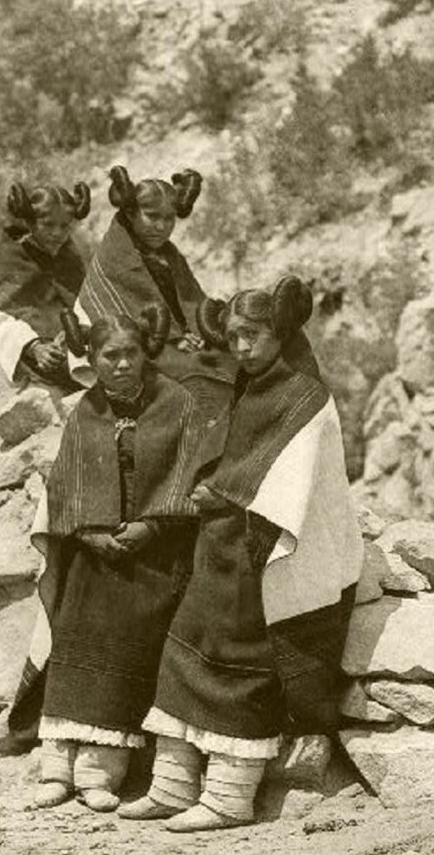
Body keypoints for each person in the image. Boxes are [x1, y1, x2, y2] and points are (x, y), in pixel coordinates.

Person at [124, 277, 361, 832]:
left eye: (253, 335)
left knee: (240, 663)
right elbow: (230, 451)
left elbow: (299, 477)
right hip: (222, 549)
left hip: (266, 556)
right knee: (183, 649)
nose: (242, 348)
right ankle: (172, 785)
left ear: (280, 332)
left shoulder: (305, 394)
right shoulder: (248, 386)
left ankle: (230, 796)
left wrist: (227, 492)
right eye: (233, 337)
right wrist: (212, 484)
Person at [6, 309, 208, 813]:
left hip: (155, 556)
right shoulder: (87, 410)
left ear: (147, 353)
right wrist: (91, 533)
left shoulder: (177, 403)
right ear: (91, 359)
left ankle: (100, 769)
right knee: (74, 625)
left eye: (130, 354)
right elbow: (66, 483)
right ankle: (56, 766)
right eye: (109, 355)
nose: (120, 364)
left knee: (127, 637)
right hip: (93, 553)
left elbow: (188, 477)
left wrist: (152, 525)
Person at [72, 166, 234, 427]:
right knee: (193, 372)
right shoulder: (116, 255)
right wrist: (173, 339)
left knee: (231, 354)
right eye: (152, 216)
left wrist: (195, 330)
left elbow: (189, 301)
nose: (161, 227)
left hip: (173, 337)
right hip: (133, 343)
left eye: (169, 219)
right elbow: (126, 315)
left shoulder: (168, 253)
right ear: (130, 213)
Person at [0, 181, 92, 395]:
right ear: (31, 222)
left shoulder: (68, 254)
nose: (57, 233)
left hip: (76, 340)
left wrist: (83, 329)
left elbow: (85, 300)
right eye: (48, 225)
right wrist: (34, 347)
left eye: (64, 226)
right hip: (43, 348)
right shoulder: (12, 255)